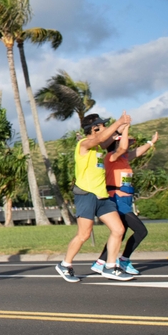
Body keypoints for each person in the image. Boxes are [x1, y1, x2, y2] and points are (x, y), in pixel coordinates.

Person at [55, 113, 135, 283]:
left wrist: (123, 127)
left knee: (118, 230)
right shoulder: (83, 144)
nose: (105, 126)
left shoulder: (99, 148)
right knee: (84, 234)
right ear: (94, 128)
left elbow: (116, 145)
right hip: (87, 195)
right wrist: (118, 122)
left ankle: (110, 266)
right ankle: (65, 264)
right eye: (102, 125)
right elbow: (98, 140)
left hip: (102, 196)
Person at [90, 125, 159, 276]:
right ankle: (124, 260)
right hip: (117, 199)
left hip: (126, 200)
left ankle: (100, 262)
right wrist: (125, 128)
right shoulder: (111, 157)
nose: (128, 147)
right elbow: (122, 148)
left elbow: (138, 151)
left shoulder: (125, 158)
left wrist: (151, 142)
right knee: (141, 231)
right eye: (126, 143)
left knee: (120, 231)